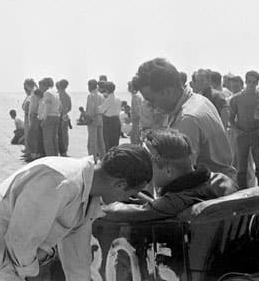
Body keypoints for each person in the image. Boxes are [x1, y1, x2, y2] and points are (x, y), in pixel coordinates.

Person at [0, 144, 153, 281]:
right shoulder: (59, 181)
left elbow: (76, 258)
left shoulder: (88, 196)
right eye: (130, 194)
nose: (125, 199)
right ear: (120, 185)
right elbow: (20, 241)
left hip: (17, 266)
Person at [131, 58, 236, 181]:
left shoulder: (186, 119)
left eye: (152, 100)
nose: (151, 107)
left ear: (168, 91)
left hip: (208, 188)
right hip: (221, 182)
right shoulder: (198, 100)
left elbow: (179, 176)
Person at [103, 132, 236, 221]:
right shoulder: (223, 181)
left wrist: (99, 205)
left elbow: (118, 212)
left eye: (148, 164)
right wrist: (137, 192)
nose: (144, 169)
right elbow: (158, 205)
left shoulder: (176, 202)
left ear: (168, 171)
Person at [229, 71, 259, 188]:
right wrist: (237, 131)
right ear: (245, 81)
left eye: (254, 82)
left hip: (257, 134)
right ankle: (242, 192)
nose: (251, 84)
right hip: (242, 135)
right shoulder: (236, 98)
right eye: (249, 81)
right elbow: (231, 118)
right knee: (241, 168)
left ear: (257, 83)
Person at [38, 78, 61, 157]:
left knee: (48, 141)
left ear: (44, 85)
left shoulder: (47, 93)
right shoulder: (55, 93)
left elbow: (48, 107)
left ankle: (50, 158)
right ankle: (56, 157)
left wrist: (44, 119)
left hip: (49, 117)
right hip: (56, 116)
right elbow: (60, 106)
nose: (40, 88)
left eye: (40, 86)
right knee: (54, 140)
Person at [85, 79, 106, 159]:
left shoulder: (91, 95)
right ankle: (103, 157)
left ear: (90, 86)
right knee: (101, 141)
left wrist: (88, 119)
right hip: (100, 118)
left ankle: (92, 159)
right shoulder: (101, 95)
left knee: (92, 141)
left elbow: (91, 109)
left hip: (93, 119)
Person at [98, 82, 122, 151]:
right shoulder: (118, 99)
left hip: (109, 122)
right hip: (117, 120)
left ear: (107, 90)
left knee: (108, 143)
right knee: (115, 143)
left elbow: (100, 110)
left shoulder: (108, 99)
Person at [21, 79, 37, 160]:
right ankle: (27, 151)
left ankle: (30, 152)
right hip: (27, 115)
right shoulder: (30, 93)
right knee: (27, 133)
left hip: (30, 115)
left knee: (30, 135)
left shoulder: (33, 92)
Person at [56, 79, 72, 157]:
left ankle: (61, 151)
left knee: (59, 134)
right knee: (65, 134)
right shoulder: (67, 96)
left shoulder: (58, 95)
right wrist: (65, 112)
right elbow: (70, 107)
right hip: (65, 116)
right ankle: (65, 150)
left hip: (59, 116)